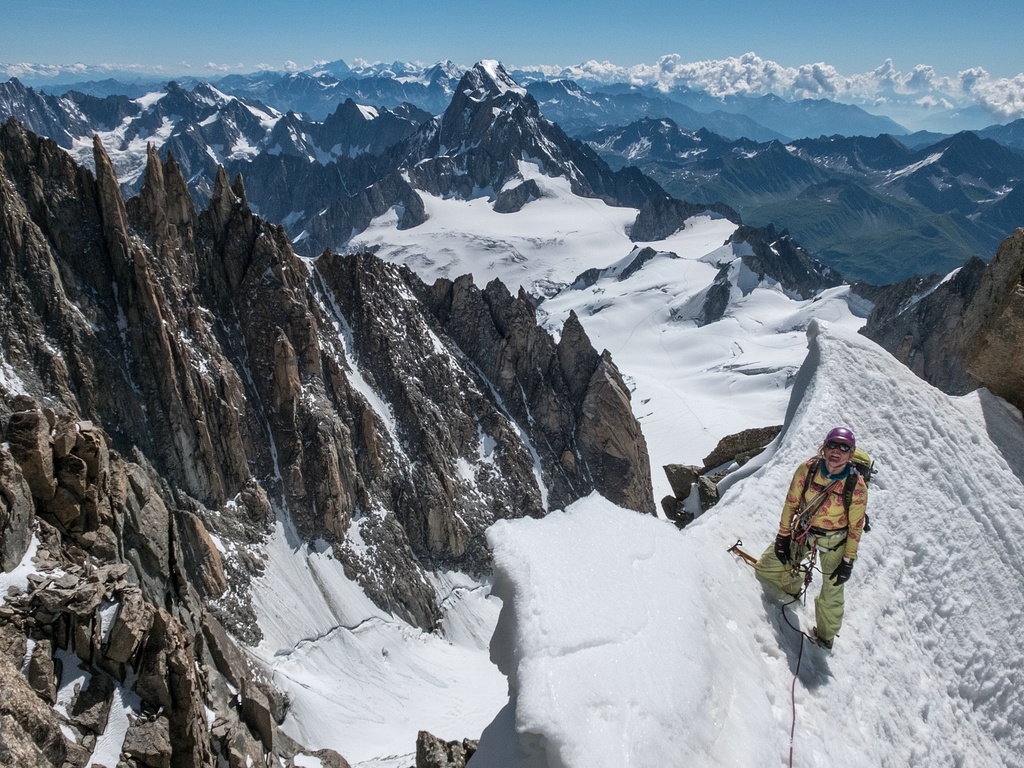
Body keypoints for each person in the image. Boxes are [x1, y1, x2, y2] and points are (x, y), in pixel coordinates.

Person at [754, 426, 868, 650]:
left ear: (851, 453)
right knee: (767, 567)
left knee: (832, 590)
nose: (837, 451)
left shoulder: (856, 486)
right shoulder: (807, 470)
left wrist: (848, 561)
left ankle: (826, 636)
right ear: (823, 448)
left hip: (836, 542)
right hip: (803, 531)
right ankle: (791, 586)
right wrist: (783, 537)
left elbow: (856, 526)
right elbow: (792, 503)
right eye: (832, 445)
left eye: (844, 447)